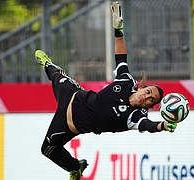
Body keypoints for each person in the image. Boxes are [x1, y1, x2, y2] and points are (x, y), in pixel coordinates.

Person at [36, 1, 177, 180]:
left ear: (151, 105)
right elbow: (121, 56)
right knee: (56, 75)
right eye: (148, 91)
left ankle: (75, 167)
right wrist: (118, 30)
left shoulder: (135, 116)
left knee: (47, 149)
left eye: (151, 99)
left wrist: (162, 126)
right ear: (143, 87)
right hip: (73, 95)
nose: (146, 96)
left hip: (68, 125)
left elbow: (147, 126)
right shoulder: (126, 81)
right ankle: (48, 63)